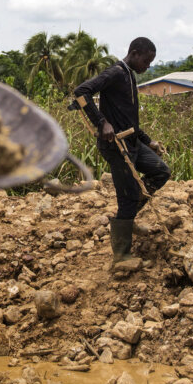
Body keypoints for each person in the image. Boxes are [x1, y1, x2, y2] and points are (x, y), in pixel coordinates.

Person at [71, 37, 171, 265]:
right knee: (127, 196)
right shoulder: (116, 72)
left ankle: (128, 217)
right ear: (134, 53)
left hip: (133, 142)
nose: (147, 67)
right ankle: (122, 255)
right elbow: (81, 91)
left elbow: (128, 118)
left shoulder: (129, 75)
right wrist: (101, 123)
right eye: (146, 61)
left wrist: (148, 141)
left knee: (161, 171)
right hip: (116, 146)